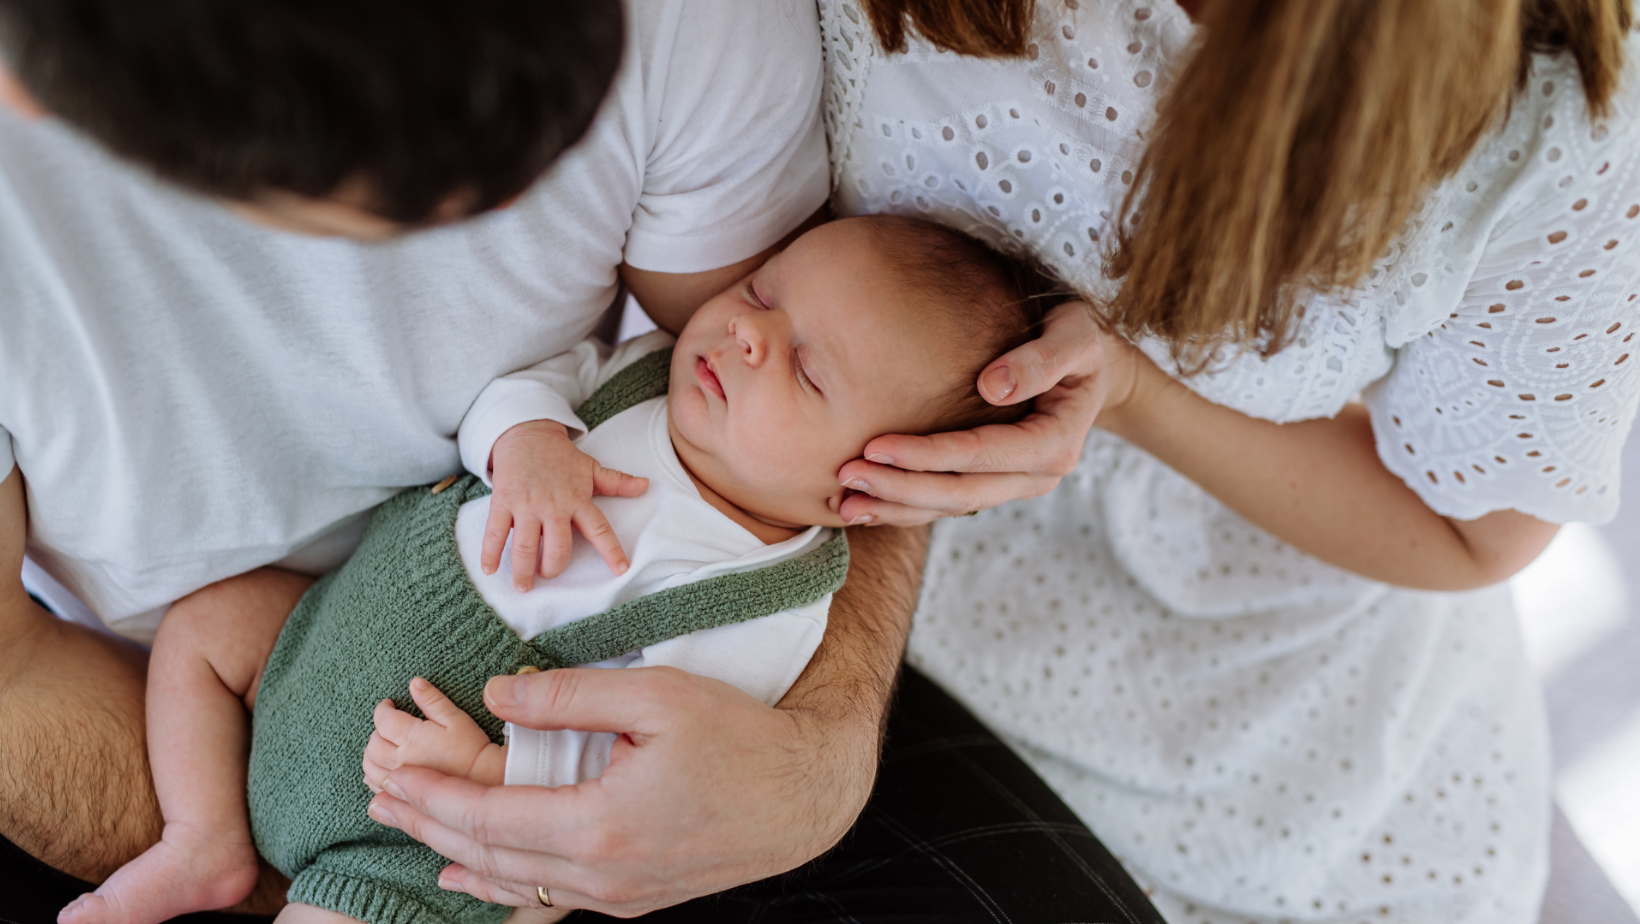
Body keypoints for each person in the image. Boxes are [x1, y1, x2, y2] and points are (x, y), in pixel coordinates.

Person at [364, 0, 1640, 921]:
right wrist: (820, 730)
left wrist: (1129, 396)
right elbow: (704, 277)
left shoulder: (1552, 123)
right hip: (780, 558)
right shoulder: (734, 368)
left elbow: (1469, 533)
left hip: (1240, 687)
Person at [0, 1, 1165, 919]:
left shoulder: (676, 31)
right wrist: (305, 859)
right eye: (412, 200)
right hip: (120, 731)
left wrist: (809, 768)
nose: (746, 330)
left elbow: (840, 437)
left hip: (516, 779)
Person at [57, 215, 1049, 924]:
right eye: (763, 291)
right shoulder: (644, 370)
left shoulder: (760, 601)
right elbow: (531, 386)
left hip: (416, 825)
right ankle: (202, 839)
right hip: (316, 635)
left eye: (803, 367)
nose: (749, 332)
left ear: (860, 490)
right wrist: (524, 440)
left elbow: (636, 757)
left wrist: (489, 776)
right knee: (204, 627)